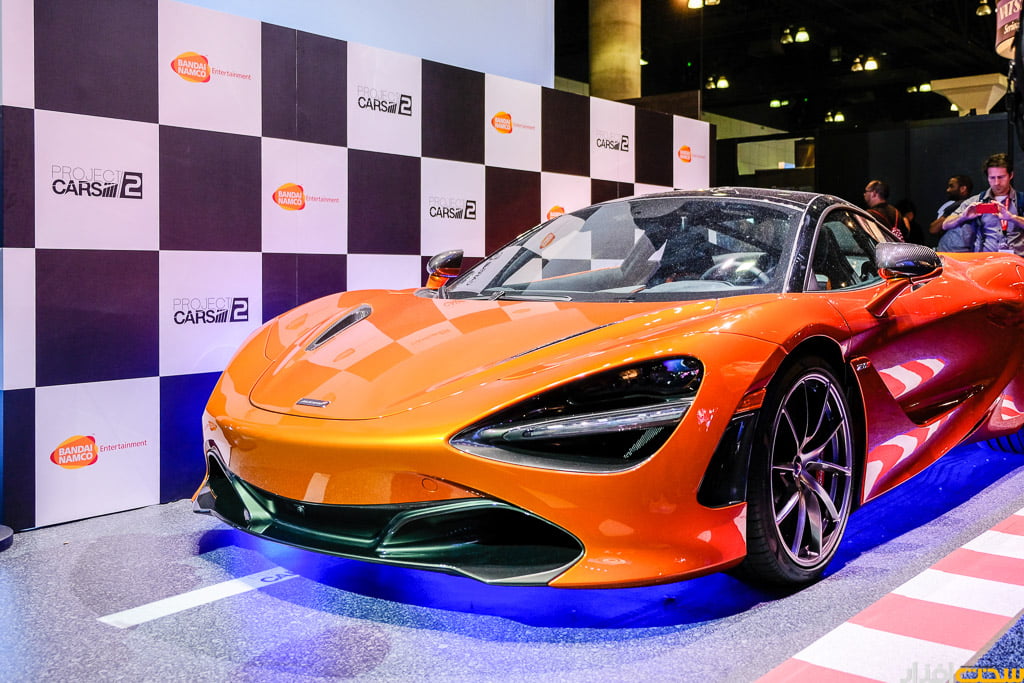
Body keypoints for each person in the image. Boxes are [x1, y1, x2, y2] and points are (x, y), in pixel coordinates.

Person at [942, 153, 1024, 254]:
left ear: (1011, 175)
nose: (996, 182)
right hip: (986, 260)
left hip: (1016, 260)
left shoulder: (1021, 200)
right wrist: (963, 217)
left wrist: (1012, 218)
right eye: (992, 178)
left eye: (1001, 177)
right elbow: (945, 225)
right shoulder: (976, 201)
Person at [928, 175, 973, 239]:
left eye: (951, 186)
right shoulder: (954, 205)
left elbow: (933, 229)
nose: (948, 190)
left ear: (963, 189)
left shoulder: (959, 205)